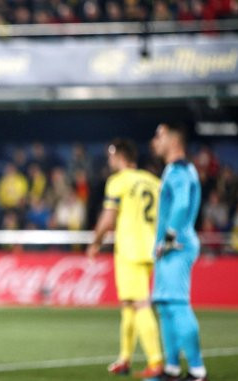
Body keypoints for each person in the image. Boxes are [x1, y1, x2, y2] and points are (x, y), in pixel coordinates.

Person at [86, 139, 163, 378]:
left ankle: (156, 362)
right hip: (151, 248)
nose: (109, 160)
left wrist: (95, 242)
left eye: (111, 155)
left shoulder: (118, 181)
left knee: (139, 303)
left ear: (120, 156)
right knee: (128, 304)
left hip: (130, 248)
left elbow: (108, 219)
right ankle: (125, 358)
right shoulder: (154, 181)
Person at [151, 123, 207, 381]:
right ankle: (172, 368)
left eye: (159, 137)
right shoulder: (173, 169)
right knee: (164, 306)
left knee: (177, 304)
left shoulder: (181, 169)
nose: (155, 142)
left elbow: (183, 203)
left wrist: (171, 236)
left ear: (173, 142)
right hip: (166, 249)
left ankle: (197, 371)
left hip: (177, 246)